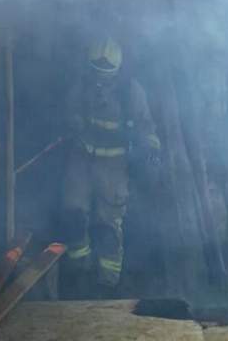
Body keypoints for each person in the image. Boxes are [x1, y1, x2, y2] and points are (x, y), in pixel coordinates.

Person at [61, 37, 161, 291]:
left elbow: (147, 126)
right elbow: (68, 112)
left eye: (106, 73)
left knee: (108, 223)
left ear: (117, 70)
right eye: (96, 72)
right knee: (73, 212)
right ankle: (78, 271)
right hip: (82, 159)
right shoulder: (81, 85)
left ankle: (108, 282)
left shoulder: (131, 92)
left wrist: (150, 150)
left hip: (114, 165)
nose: (101, 79)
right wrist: (72, 123)